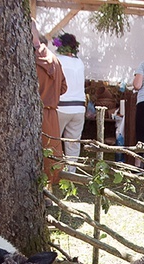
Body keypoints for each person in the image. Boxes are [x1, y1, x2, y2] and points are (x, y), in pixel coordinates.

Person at [32, 20, 67, 188]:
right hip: (51, 113)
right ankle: (49, 191)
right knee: (50, 153)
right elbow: (63, 88)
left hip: (34, 114)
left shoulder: (28, 59)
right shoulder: (54, 59)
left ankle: (43, 193)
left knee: (38, 154)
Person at [53, 32, 86, 173]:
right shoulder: (79, 62)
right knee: (73, 143)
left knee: (53, 141)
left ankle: (52, 170)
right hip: (79, 107)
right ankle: (71, 173)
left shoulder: (56, 60)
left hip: (62, 105)